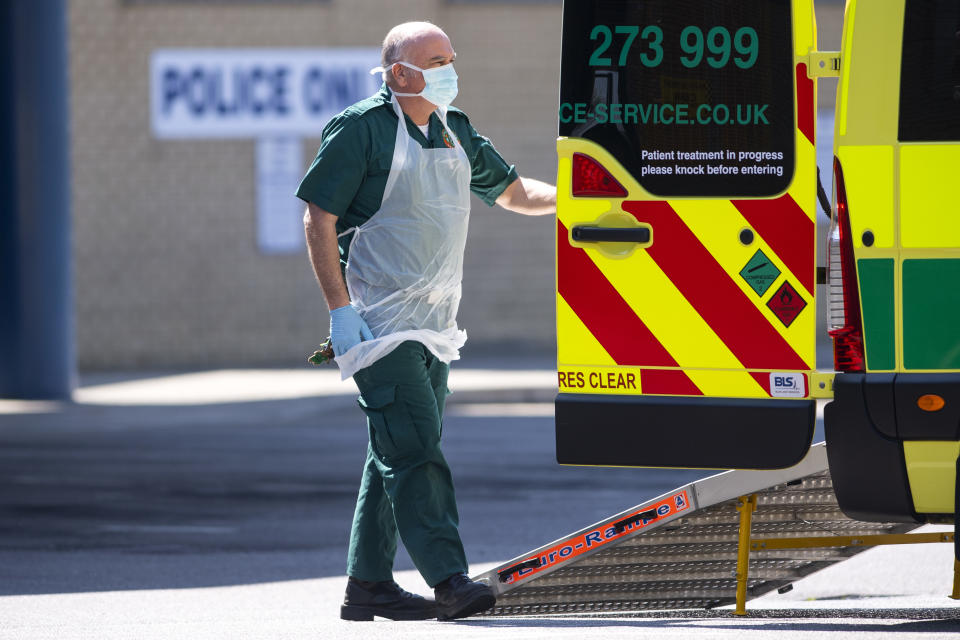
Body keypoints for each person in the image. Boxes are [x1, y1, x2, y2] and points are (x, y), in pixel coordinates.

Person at [298, 21, 556, 621]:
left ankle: (367, 586)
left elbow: (515, 193)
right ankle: (449, 580)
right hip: (377, 324)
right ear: (399, 73)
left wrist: (580, 194)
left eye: (450, 57)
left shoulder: (454, 130)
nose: (449, 68)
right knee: (415, 451)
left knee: (392, 449)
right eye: (436, 60)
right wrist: (339, 311)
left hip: (437, 325)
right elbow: (319, 218)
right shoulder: (361, 130)